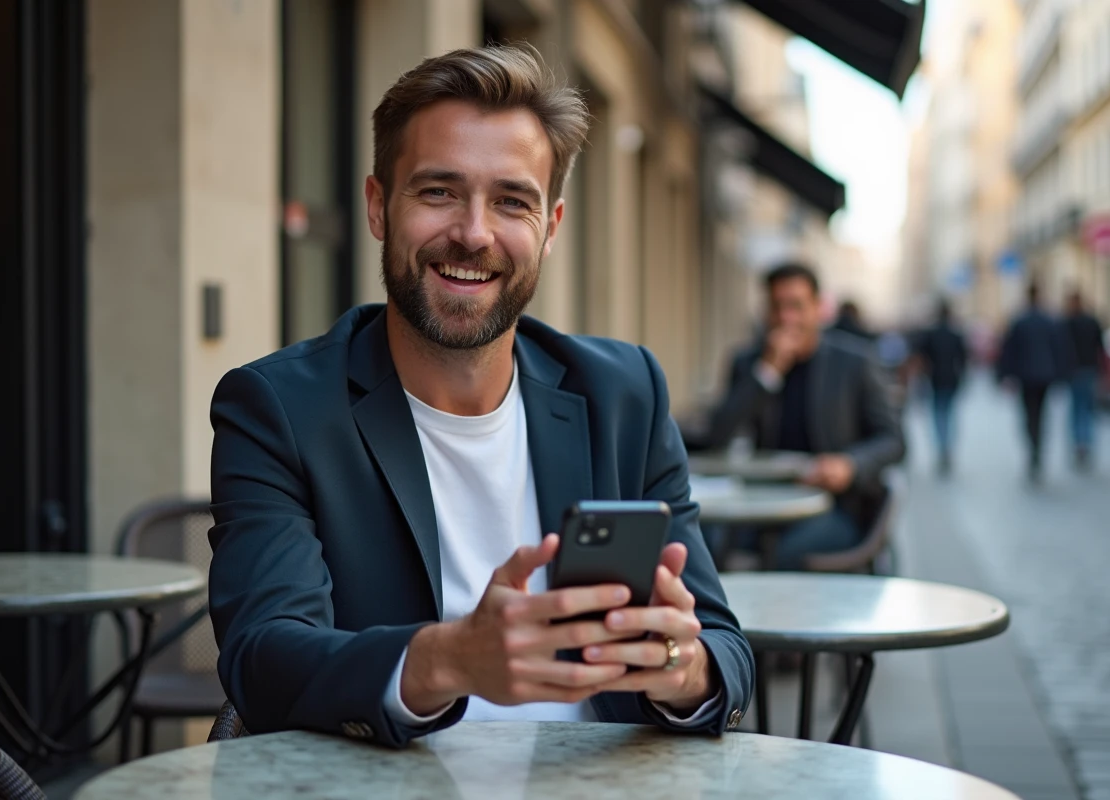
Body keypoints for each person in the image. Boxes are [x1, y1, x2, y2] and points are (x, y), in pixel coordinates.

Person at [207, 45, 752, 749]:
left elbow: (729, 656)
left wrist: (678, 667)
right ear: (379, 207)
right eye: (438, 191)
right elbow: (263, 659)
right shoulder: (278, 408)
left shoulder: (624, 395)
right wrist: (452, 658)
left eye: (511, 201)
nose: (473, 232)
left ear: (550, 229)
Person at [687, 263, 906, 571]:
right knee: (701, 541)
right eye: (777, 307)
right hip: (760, 501)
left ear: (818, 308)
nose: (787, 318)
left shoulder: (854, 363)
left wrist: (850, 465)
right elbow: (717, 435)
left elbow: (894, 440)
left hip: (834, 506)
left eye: (796, 306)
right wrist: (766, 374)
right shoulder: (748, 362)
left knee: (783, 555)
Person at [996, 283, 1072, 482]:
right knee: (1041, 413)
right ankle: (1037, 448)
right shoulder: (1049, 321)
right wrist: (1061, 374)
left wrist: (1004, 375)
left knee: (1030, 414)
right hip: (1044, 375)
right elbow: (1059, 349)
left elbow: (1009, 351)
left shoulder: (1020, 321)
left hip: (1026, 376)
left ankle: (1033, 447)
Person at [915, 299, 968, 475]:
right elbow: (963, 359)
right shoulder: (955, 334)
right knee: (950, 414)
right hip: (951, 379)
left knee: (938, 415)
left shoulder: (931, 333)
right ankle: (947, 447)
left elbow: (921, 357)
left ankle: (942, 447)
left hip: (935, 380)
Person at [1063, 290, 1105, 469]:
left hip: (1075, 371)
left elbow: (1061, 347)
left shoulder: (1068, 322)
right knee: (1086, 408)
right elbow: (1100, 347)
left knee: (1076, 408)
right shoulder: (1092, 321)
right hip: (1089, 370)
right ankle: (1085, 442)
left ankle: (1079, 443)